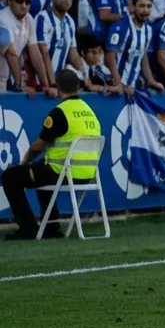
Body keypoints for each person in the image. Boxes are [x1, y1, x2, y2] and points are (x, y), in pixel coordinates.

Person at [1, 70, 100, 239]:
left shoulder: (60, 112)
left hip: (61, 171)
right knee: (40, 173)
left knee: (10, 177)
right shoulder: (90, 111)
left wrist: (24, 163)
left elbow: (37, 147)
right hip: (88, 173)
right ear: (78, 86)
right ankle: (51, 228)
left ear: (58, 87)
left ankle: (28, 228)